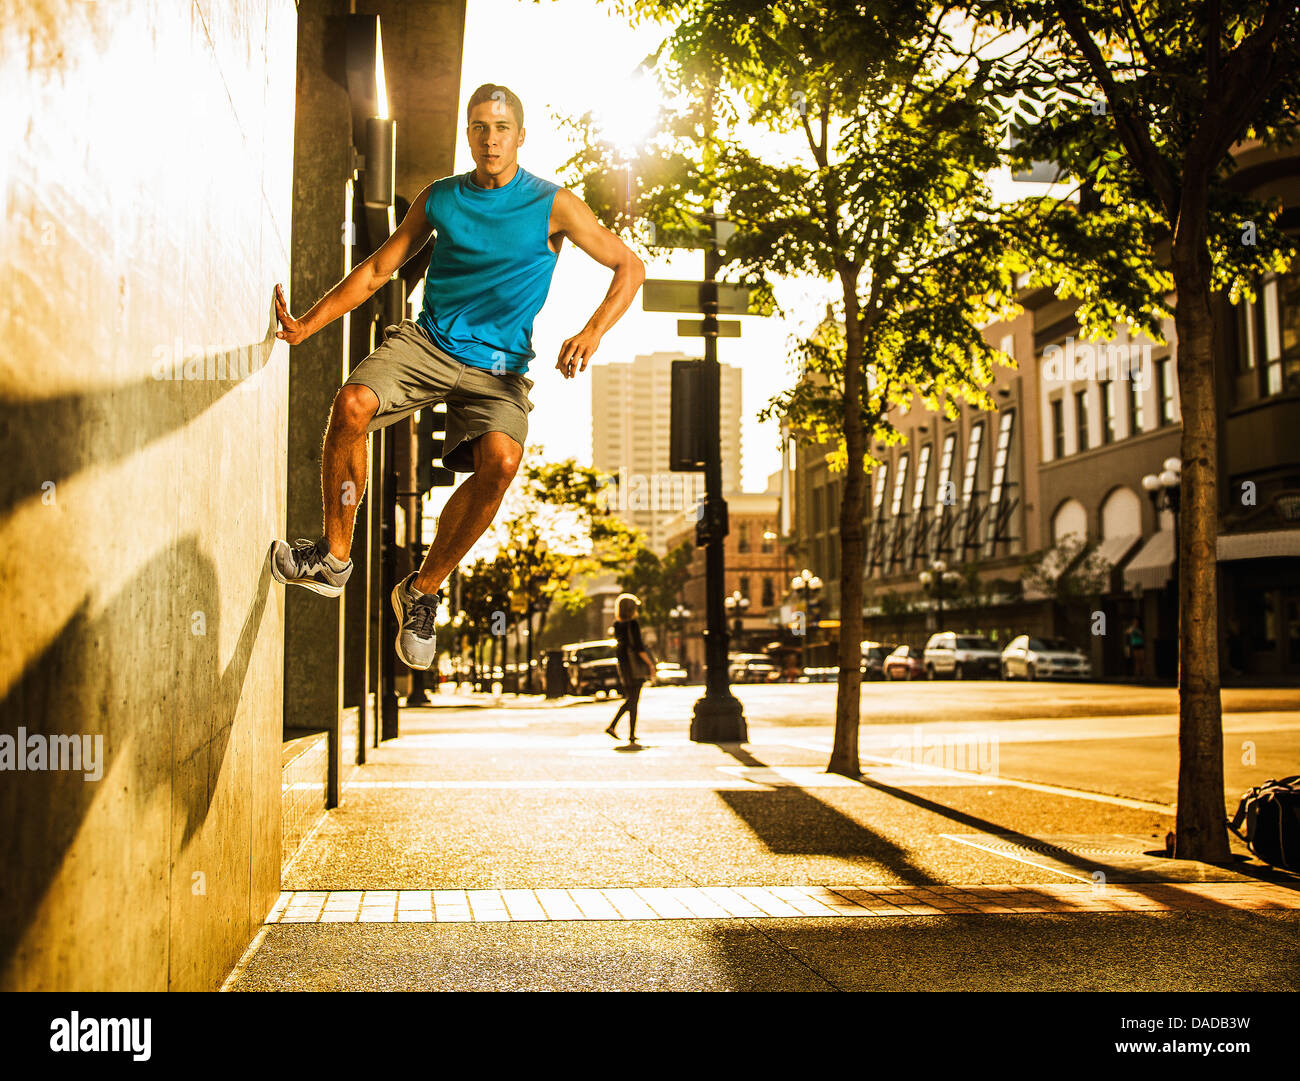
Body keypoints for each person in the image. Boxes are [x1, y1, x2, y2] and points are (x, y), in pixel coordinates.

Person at [268, 83, 646, 670]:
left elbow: (630, 264)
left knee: (500, 462)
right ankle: (333, 557)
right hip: (430, 342)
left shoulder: (554, 204)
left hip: (500, 367)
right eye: (479, 126)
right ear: (468, 134)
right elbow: (377, 270)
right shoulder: (440, 198)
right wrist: (306, 326)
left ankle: (420, 592)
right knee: (351, 406)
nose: (490, 138)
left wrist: (592, 331)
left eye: (501, 128)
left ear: (520, 136)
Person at [607, 593, 653, 742]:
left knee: (631, 699)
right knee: (633, 700)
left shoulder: (617, 625)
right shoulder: (633, 624)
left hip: (624, 665)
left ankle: (629, 733)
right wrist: (650, 664)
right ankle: (616, 727)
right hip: (635, 666)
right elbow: (638, 647)